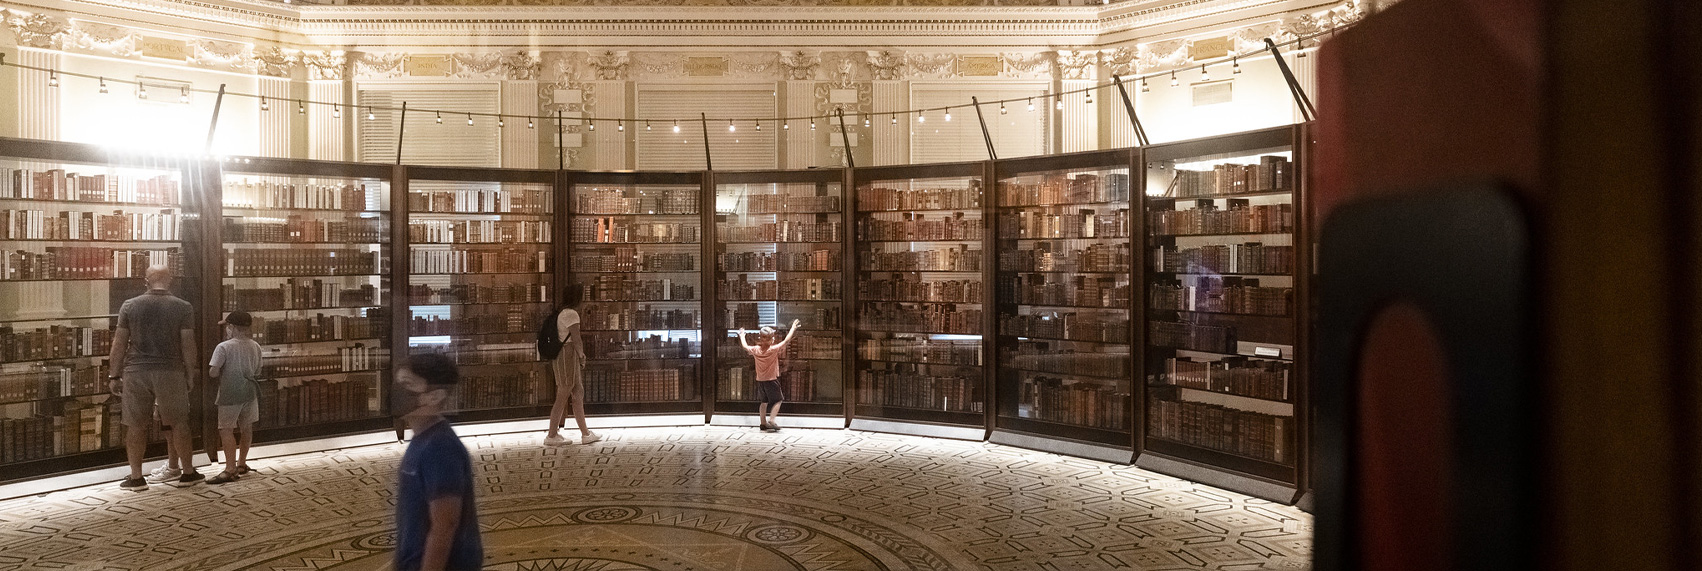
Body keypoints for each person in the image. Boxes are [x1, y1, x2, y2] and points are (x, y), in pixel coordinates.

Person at [110, 264, 200, 491]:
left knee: (136, 425)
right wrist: (191, 373)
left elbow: (119, 344)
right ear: (169, 280)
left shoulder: (130, 306)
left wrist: (114, 374)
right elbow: (188, 344)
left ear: (146, 281)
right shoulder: (183, 307)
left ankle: (137, 478)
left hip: (136, 371)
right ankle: (188, 473)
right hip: (170, 370)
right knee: (179, 423)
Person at [393, 353, 483, 571]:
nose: (397, 392)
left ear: (434, 396)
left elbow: (445, 524)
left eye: (407, 384)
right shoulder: (423, 440)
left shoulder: (440, 448)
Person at [207, 311, 262, 484]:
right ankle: (241, 463)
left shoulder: (224, 347)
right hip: (250, 392)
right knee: (246, 428)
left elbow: (213, 372)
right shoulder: (255, 346)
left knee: (226, 429)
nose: (226, 330)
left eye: (227, 327)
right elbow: (258, 371)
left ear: (232, 327)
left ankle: (229, 469)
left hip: (230, 393)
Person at [543, 285, 599, 446]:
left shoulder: (563, 312)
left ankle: (585, 433)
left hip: (567, 355)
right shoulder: (571, 314)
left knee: (577, 392)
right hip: (567, 355)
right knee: (563, 393)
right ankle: (551, 435)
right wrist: (582, 355)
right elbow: (576, 338)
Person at [738, 319, 800, 432]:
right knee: (778, 400)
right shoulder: (772, 350)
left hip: (760, 380)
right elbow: (786, 341)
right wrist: (793, 328)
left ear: (760, 338)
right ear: (771, 339)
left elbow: (745, 346)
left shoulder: (755, 350)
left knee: (764, 402)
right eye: (772, 338)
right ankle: (771, 420)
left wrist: (742, 335)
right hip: (771, 380)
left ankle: (762, 423)